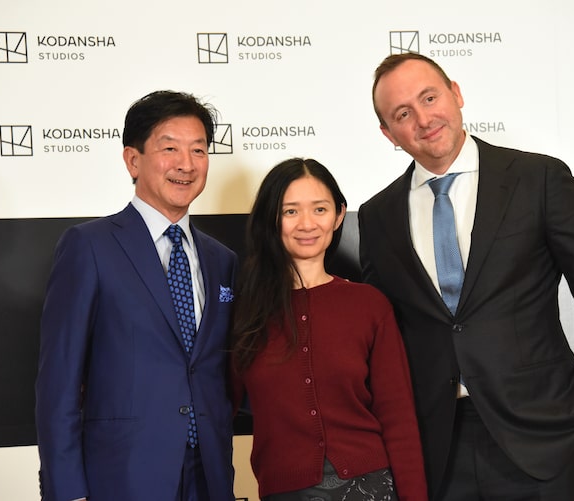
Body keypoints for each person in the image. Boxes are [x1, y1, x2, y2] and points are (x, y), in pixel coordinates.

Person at [358, 52, 574, 500]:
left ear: (456, 93)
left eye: (429, 98)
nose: (424, 119)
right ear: (388, 133)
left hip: (544, 441)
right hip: (435, 453)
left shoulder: (538, 178)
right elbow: (381, 340)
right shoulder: (377, 216)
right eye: (403, 114)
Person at [35, 90, 237, 501]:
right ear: (133, 159)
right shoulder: (89, 246)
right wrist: (66, 490)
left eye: (199, 150)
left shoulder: (223, 260)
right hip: (123, 476)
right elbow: (59, 381)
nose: (186, 164)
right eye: (170, 148)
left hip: (209, 476)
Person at [231, 158, 428, 500]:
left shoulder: (369, 305)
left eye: (319, 209)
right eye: (290, 211)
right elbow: (218, 407)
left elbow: (398, 418)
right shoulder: (244, 312)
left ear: (339, 215)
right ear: (270, 219)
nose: (307, 224)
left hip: (371, 486)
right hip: (284, 490)